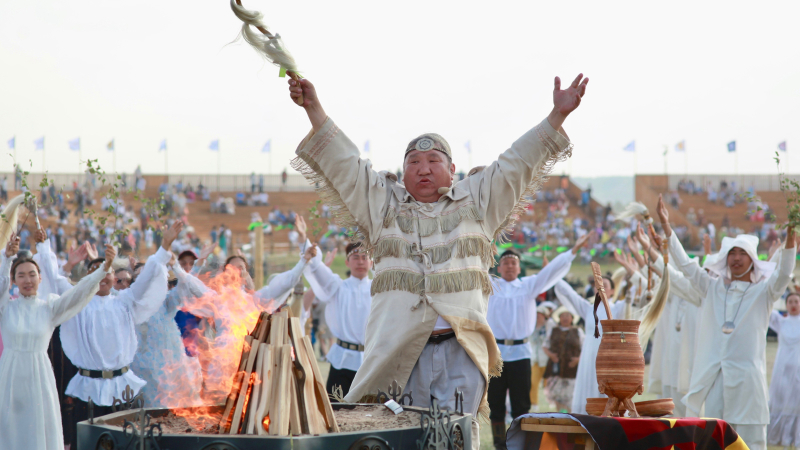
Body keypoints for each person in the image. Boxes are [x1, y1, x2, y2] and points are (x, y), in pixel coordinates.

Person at [287, 72, 587, 447]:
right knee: (398, 439)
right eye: (413, 161)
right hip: (397, 350)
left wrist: (556, 116)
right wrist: (314, 108)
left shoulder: (478, 201)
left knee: (457, 439)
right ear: (404, 170)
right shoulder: (383, 204)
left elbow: (515, 163)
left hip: (460, 351)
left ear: (452, 170)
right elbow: (347, 165)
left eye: (433, 160)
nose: (423, 168)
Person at [657, 195, 796, 450]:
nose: (736, 258)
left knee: (752, 442)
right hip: (715, 381)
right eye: (732, 252)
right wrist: (667, 228)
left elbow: (785, 273)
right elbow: (687, 266)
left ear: (752, 259)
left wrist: (790, 240)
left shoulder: (764, 292)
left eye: (742, 253)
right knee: (714, 440)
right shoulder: (711, 288)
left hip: (748, 382)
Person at [38, 223, 181, 449]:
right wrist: (43, 245)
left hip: (122, 389)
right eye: (96, 271)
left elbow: (147, 278)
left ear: (115, 278)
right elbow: (54, 279)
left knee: (126, 443)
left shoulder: (125, 302)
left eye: (107, 270)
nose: (102, 275)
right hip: (88, 391)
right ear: (88, 278)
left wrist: (164, 247)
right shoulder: (77, 304)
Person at [0, 233, 116, 450]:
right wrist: (7, 259)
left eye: (32, 274)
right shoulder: (5, 307)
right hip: (9, 376)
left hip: (39, 377)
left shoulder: (49, 308)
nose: (28, 280)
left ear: (40, 278)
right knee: (9, 430)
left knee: (38, 431)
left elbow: (79, 294)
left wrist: (104, 268)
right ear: (14, 280)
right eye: (21, 275)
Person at [486, 233, 590, 448]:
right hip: (495, 353)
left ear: (518, 267)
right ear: (498, 266)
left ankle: (520, 442)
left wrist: (571, 252)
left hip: (522, 352)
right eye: (505, 262)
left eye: (513, 263)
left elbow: (550, 272)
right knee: (495, 403)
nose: (509, 266)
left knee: (521, 403)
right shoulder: (489, 285)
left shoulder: (528, 285)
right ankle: (499, 444)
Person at [303, 241, 372, 396]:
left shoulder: (379, 289)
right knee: (337, 412)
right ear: (347, 262)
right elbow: (318, 271)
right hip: (342, 360)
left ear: (371, 261)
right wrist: (304, 241)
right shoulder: (339, 287)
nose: (360, 261)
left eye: (364, 257)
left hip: (371, 360)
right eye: (355, 257)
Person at [553, 273, 629, 414]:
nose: (600, 288)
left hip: (608, 355)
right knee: (588, 383)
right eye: (598, 285)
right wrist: (553, 273)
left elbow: (635, 297)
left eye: (605, 285)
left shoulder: (618, 308)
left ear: (612, 290)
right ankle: (587, 415)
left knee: (606, 387)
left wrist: (632, 275)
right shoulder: (588, 309)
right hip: (589, 356)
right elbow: (570, 294)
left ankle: (609, 414)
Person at [767, 292, 800, 448]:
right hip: (782, 372)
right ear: (786, 305)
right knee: (780, 400)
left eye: (796, 301)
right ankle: (778, 437)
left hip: (798, 372)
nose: (793, 305)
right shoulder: (781, 322)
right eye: (790, 302)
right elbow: (765, 307)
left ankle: (794, 438)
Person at [542, 306, 583, 413]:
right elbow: (545, 346)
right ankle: (561, 414)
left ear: (572, 318)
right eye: (563, 316)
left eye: (567, 315)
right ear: (559, 318)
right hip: (555, 368)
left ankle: (569, 416)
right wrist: (551, 355)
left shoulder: (578, 331)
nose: (565, 318)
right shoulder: (553, 331)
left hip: (572, 369)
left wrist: (578, 359)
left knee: (570, 396)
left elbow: (585, 348)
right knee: (557, 395)